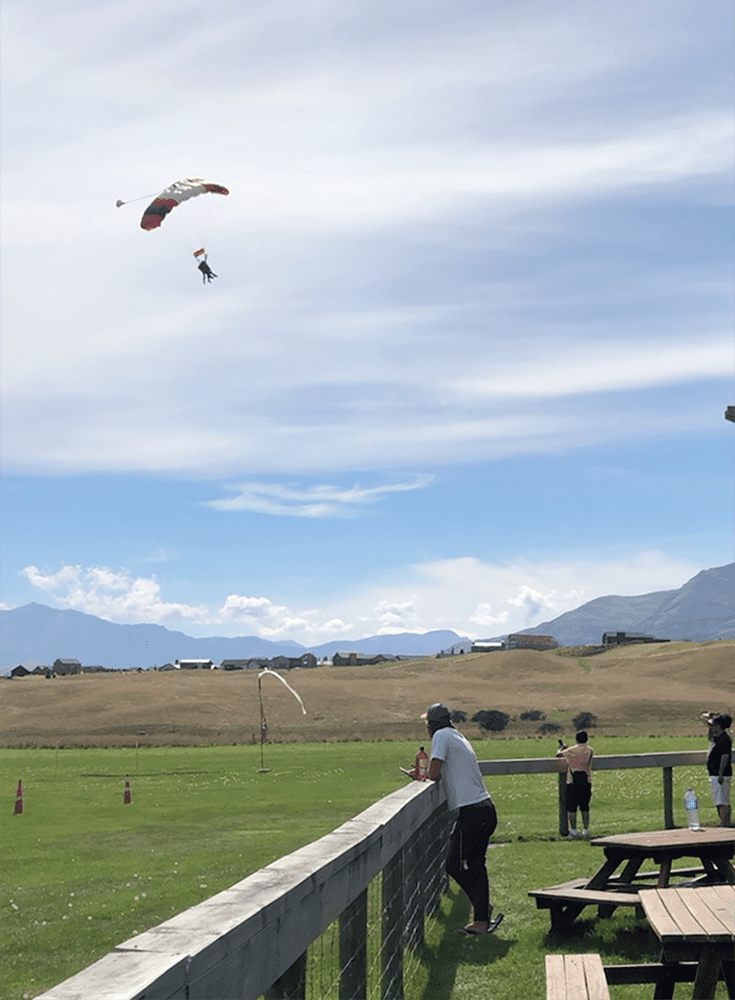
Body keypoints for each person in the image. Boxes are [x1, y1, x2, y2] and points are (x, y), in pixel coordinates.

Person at [422, 703, 504, 935]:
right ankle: (481, 917)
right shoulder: (456, 735)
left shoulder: (440, 736)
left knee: (453, 864)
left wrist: (423, 775)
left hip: (473, 813)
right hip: (485, 810)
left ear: (432, 723)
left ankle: (481, 911)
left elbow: (435, 770)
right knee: (476, 865)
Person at [556, 731, 594, 838]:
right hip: (586, 781)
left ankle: (573, 830)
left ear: (576, 739)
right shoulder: (590, 750)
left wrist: (562, 748)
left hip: (572, 781)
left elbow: (559, 754)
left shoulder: (571, 750)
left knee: (572, 807)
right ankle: (586, 830)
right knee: (585, 807)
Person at [703, 713, 732, 827]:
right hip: (715, 773)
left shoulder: (724, 739)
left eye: (714, 725)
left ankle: (725, 824)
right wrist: (710, 718)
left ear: (719, 726)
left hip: (720, 775)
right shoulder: (718, 737)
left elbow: (725, 757)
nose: (712, 727)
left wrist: (720, 773)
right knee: (719, 801)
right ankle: (724, 822)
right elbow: (709, 734)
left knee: (722, 802)